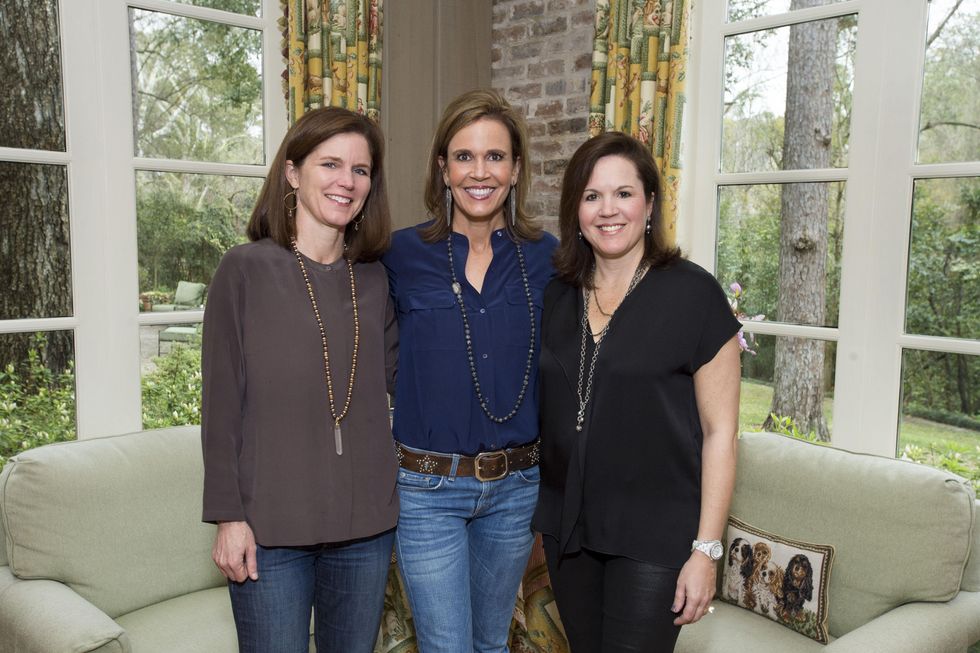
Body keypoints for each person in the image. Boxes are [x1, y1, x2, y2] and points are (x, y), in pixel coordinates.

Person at [533, 131, 741, 652]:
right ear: (575, 211)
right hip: (569, 531)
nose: (608, 210)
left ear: (649, 203)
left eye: (624, 194)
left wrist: (706, 551)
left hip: (654, 534)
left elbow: (721, 433)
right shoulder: (558, 294)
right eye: (591, 196)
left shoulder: (694, 295)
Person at [201, 106, 398, 653]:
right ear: (292, 172)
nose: (347, 181)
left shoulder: (377, 278)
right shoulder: (243, 270)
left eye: (360, 170)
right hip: (269, 530)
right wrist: (227, 517)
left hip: (367, 529)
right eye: (330, 163)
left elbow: (408, 380)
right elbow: (220, 408)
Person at [381, 89, 558, 653]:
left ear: (515, 168)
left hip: (516, 490)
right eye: (464, 157)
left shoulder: (549, 258)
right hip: (427, 489)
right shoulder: (399, 254)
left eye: (495, 157)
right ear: (442, 167)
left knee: (491, 644)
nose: (479, 172)